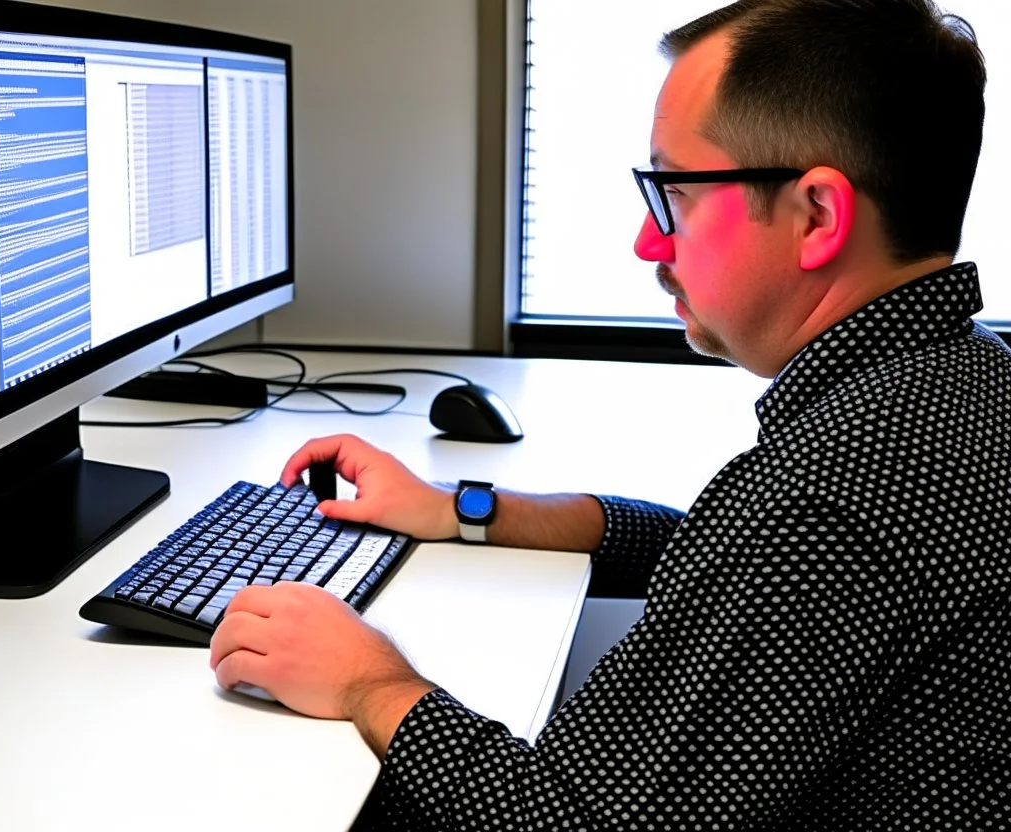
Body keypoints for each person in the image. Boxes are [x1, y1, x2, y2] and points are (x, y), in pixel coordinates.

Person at [210, 0, 1010, 827]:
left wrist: (368, 680)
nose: (647, 242)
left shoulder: (836, 495)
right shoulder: (955, 380)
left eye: (674, 194)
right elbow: (703, 549)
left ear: (817, 216)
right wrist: (460, 511)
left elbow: (569, 821)